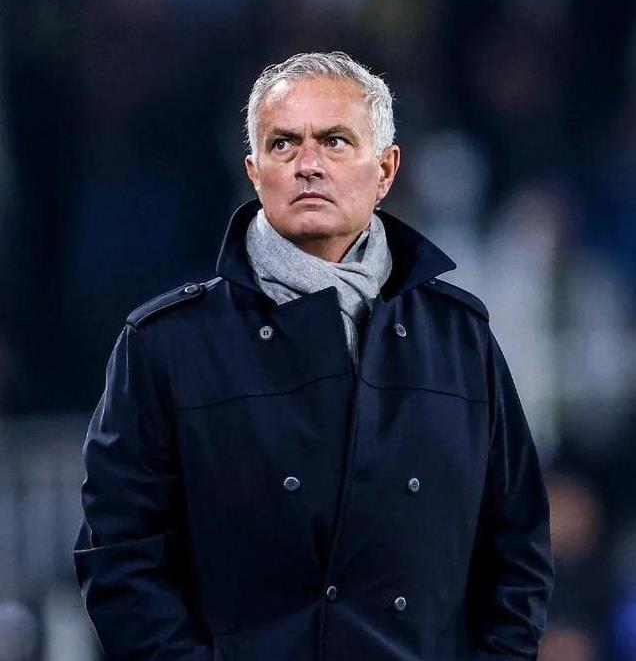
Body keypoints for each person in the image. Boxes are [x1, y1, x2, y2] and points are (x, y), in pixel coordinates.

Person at [74, 51, 554, 661]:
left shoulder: (460, 338)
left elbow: (518, 548)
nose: (308, 165)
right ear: (254, 173)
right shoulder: (165, 344)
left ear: (385, 170)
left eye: (334, 141)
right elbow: (120, 558)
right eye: (283, 144)